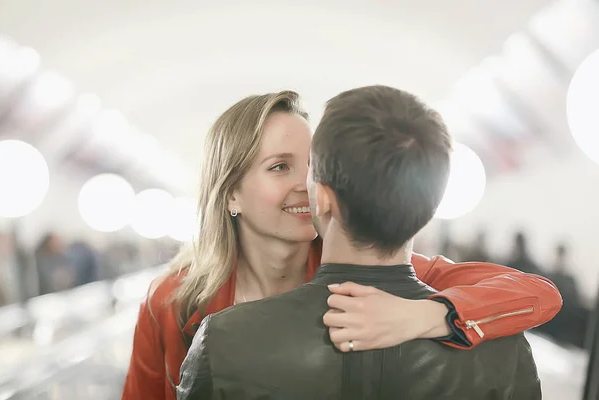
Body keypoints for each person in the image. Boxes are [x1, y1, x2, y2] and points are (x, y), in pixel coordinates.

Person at [122, 90, 560, 400]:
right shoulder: (170, 302)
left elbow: (538, 294)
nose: (306, 185)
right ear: (231, 193)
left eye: (313, 166)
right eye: (279, 167)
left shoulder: (390, 277)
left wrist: (429, 313)